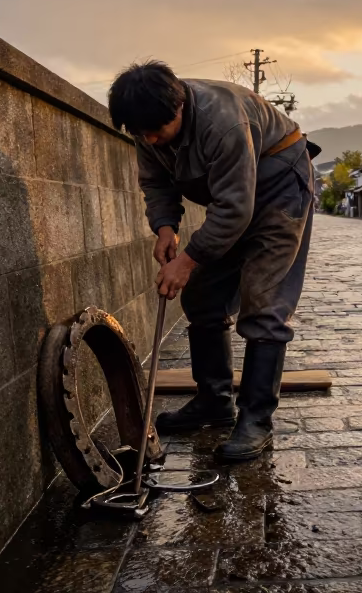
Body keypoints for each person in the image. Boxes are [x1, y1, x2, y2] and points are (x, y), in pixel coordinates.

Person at [108, 61, 315, 463]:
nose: (149, 139)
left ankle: (256, 422)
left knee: (264, 304)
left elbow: (235, 212)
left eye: (156, 131)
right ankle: (213, 402)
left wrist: (186, 261)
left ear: (180, 107)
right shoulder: (146, 124)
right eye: (141, 133)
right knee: (203, 296)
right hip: (233, 200)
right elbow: (154, 182)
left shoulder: (224, 123)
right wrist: (165, 227)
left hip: (279, 189)